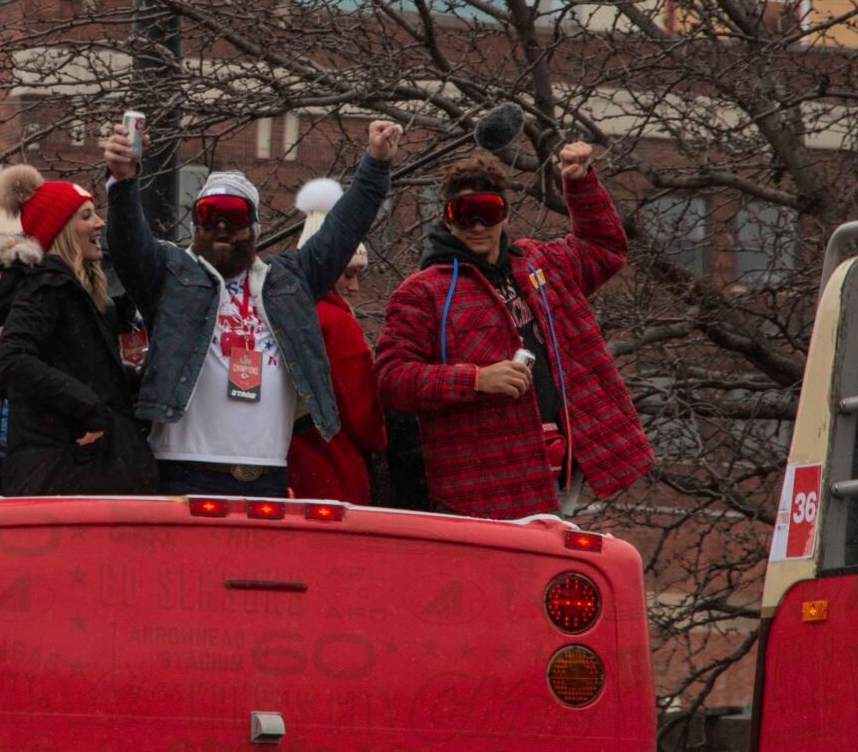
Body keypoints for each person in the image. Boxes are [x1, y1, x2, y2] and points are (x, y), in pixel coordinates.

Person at [103, 119, 402, 498]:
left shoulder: (287, 282)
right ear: (195, 222)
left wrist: (376, 163)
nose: (222, 226)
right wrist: (123, 180)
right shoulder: (171, 274)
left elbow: (343, 229)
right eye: (209, 213)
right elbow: (126, 240)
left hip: (268, 475)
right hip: (182, 470)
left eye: (237, 215)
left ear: (256, 227)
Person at [375, 144, 653, 518]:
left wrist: (582, 184)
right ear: (446, 219)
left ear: (504, 214)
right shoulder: (422, 292)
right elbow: (392, 379)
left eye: (487, 212)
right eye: (463, 215)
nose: (476, 226)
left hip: (564, 465)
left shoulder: (543, 263)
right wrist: (475, 379)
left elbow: (605, 248)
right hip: (485, 487)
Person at [0, 165, 157, 496]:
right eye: (86, 216)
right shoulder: (47, 285)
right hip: (62, 473)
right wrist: (90, 411)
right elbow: (13, 359)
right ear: (61, 229)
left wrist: (133, 381)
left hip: (78, 471)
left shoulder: (82, 294)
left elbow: (77, 367)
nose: (99, 223)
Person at [284, 179, 386, 506]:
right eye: (347, 275)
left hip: (281, 467)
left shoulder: (278, 308)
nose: (355, 288)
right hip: (331, 469)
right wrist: (383, 437)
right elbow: (361, 412)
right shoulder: (336, 322)